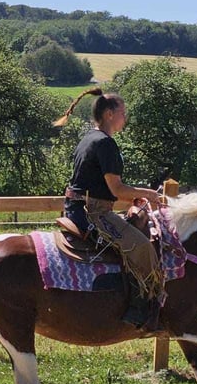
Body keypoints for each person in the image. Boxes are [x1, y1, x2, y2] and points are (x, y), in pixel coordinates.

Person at [54, 88, 163, 329]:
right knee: (143, 247)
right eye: (123, 112)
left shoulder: (88, 139)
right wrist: (147, 194)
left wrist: (130, 196)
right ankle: (141, 308)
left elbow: (103, 187)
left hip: (77, 208)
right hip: (93, 214)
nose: (126, 117)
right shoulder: (105, 144)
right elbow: (116, 189)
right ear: (110, 114)